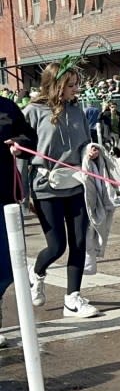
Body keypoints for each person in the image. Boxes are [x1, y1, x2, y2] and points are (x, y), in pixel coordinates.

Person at [23, 60, 101, 318]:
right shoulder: (33, 111)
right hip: (46, 186)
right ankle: (37, 273)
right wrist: (23, 192)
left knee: (79, 242)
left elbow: (83, 143)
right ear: (56, 85)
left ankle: (73, 299)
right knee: (57, 246)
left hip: (76, 183)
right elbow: (21, 152)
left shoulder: (77, 111)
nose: (75, 89)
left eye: (77, 84)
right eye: (70, 85)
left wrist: (89, 150)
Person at [1, 96, 38, 344]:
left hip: (4, 197)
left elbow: (29, 137)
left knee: (8, 267)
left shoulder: (6, 107)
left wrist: (18, 143)